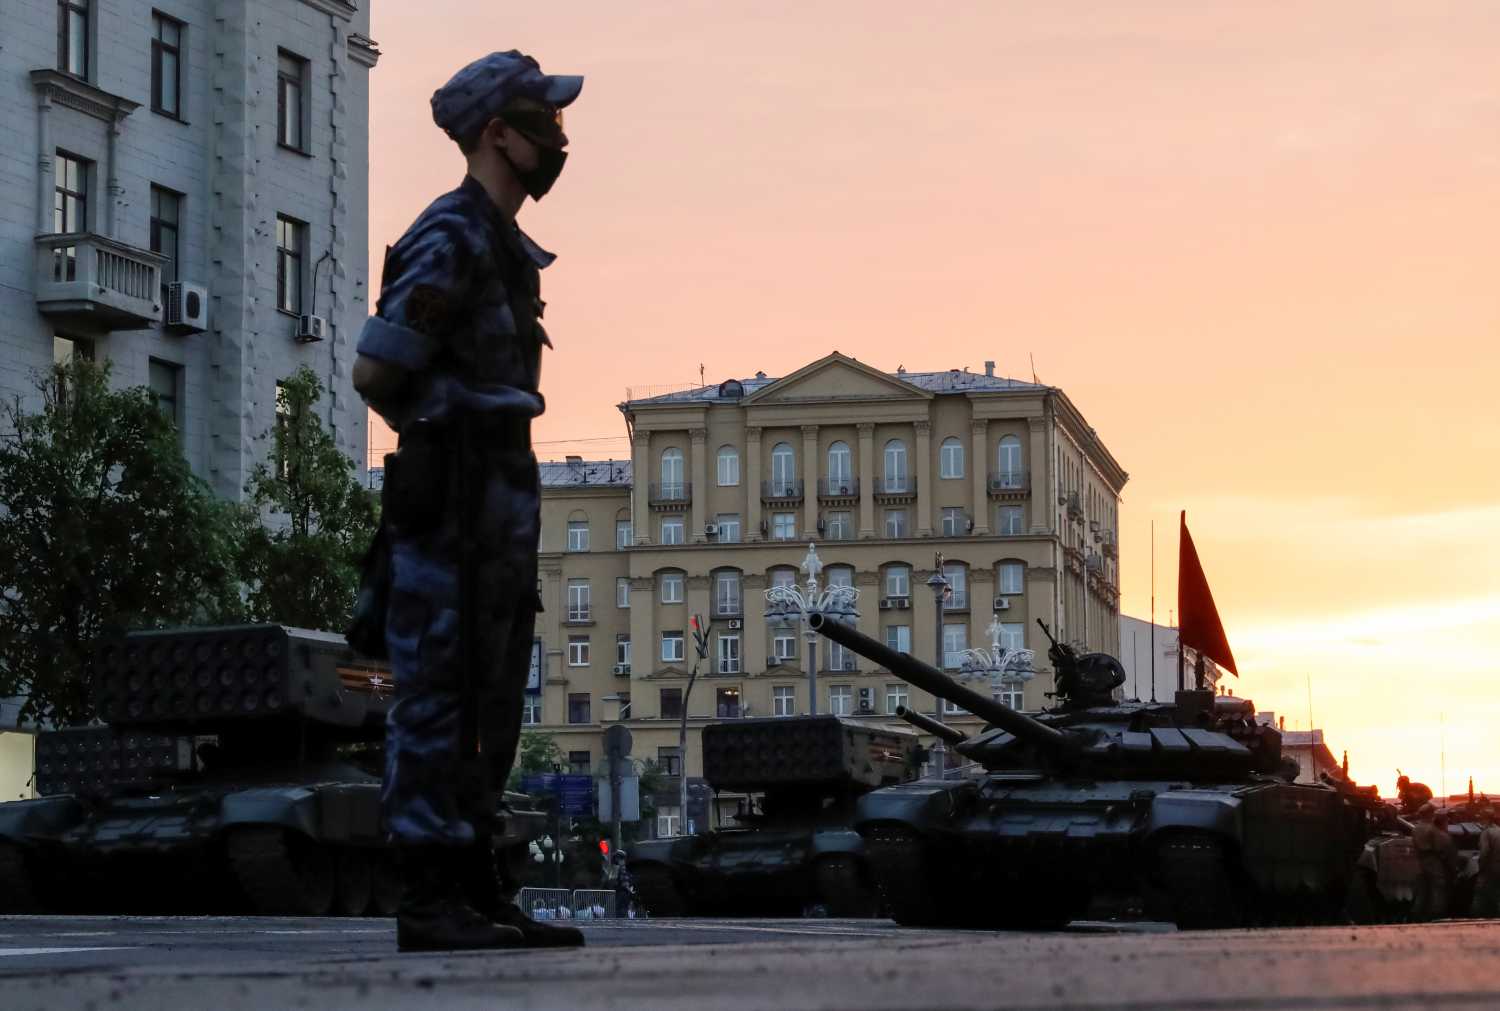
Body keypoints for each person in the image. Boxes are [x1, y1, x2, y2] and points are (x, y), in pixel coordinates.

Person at [351, 50, 585, 952]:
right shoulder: (448, 236)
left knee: (491, 697)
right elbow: (378, 368)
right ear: (499, 133)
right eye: (543, 121)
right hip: (450, 497)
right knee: (437, 695)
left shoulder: (502, 245)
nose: (558, 139)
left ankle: (479, 884)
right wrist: (442, 431)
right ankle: (430, 896)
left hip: (498, 501)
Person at [1410, 803, 1456, 921]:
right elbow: (1441, 847)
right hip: (1433, 860)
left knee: (1422, 890)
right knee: (1438, 888)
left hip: (1419, 861)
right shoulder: (1432, 829)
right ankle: (1436, 915)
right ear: (1430, 814)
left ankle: (1416, 915)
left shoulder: (1416, 829)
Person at [1471, 806, 1500, 917]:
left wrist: (1481, 868)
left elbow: (1484, 852)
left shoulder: (1486, 833)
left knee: (1480, 894)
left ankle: (1475, 918)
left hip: (1489, 870)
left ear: (1484, 818)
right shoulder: (1498, 830)